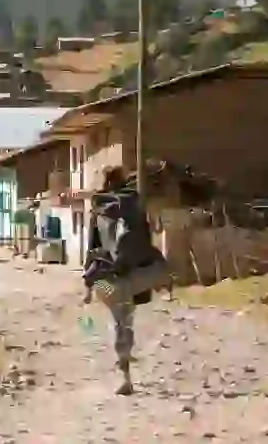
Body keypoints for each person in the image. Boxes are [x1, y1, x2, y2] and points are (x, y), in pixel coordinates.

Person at [81, 166, 167, 396]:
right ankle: (126, 356)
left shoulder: (99, 210)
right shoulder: (134, 205)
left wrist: (88, 285)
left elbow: (92, 250)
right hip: (139, 275)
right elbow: (148, 241)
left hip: (112, 281)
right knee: (127, 318)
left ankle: (125, 374)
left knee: (119, 319)